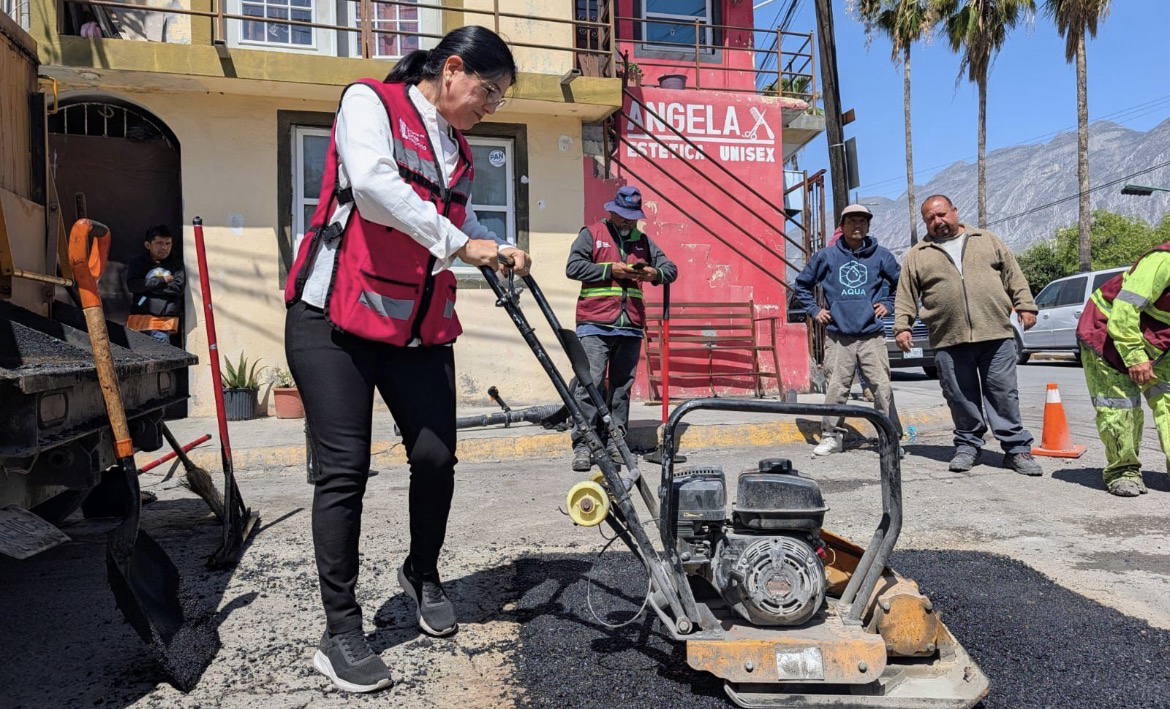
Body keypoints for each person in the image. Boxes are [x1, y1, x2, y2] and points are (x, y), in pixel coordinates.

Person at [282, 27, 529, 694]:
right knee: (344, 470)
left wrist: (495, 245)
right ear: (452, 69)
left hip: (413, 328)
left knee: (435, 456)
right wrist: (460, 244)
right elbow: (371, 188)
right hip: (331, 318)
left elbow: (463, 217)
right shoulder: (371, 103)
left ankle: (422, 571)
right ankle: (340, 633)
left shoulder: (457, 148)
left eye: (498, 99)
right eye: (489, 91)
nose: (490, 105)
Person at [894, 195, 1042, 475]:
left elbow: (1014, 275)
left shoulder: (986, 239)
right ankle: (968, 446)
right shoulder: (919, 254)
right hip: (949, 338)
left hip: (995, 334)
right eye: (930, 218)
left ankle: (1016, 450)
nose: (938, 222)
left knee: (1003, 394)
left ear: (955, 212)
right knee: (960, 396)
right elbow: (906, 294)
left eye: (942, 214)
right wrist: (902, 326)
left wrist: (1025, 305)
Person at [566, 186, 677, 472]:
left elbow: (671, 269)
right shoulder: (591, 234)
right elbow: (573, 267)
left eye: (633, 217)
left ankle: (616, 443)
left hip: (629, 327)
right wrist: (609, 270)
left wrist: (654, 273)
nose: (629, 222)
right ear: (612, 211)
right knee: (589, 384)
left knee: (620, 388)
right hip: (594, 322)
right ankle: (584, 444)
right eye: (624, 216)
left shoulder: (643, 242)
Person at [794, 203, 902, 456]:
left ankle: (890, 439)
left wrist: (888, 303)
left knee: (881, 387)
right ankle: (831, 436)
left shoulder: (882, 255)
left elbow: (902, 283)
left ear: (868, 226)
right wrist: (814, 310)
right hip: (838, 335)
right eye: (852, 221)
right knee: (837, 388)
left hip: (871, 335)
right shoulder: (827, 256)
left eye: (862, 221)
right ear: (841, 226)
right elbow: (801, 285)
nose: (857, 225)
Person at [1077, 245, 1170, 497]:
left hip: (1158, 347)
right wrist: (1135, 357)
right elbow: (1125, 310)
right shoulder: (1163, 261)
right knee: (1120, 407)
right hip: (1106, 333)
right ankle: (1123, 471)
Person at [126, 224, 184, 344]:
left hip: (163, 323)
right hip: (139, 323)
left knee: (160, 352)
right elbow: (133, 285)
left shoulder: (176, 265)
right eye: (159, 243)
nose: (164, 247)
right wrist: (162, 281)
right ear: (148, 245)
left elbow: (177, 288)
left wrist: (146, 287)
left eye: (168, 243)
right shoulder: (138, 263)